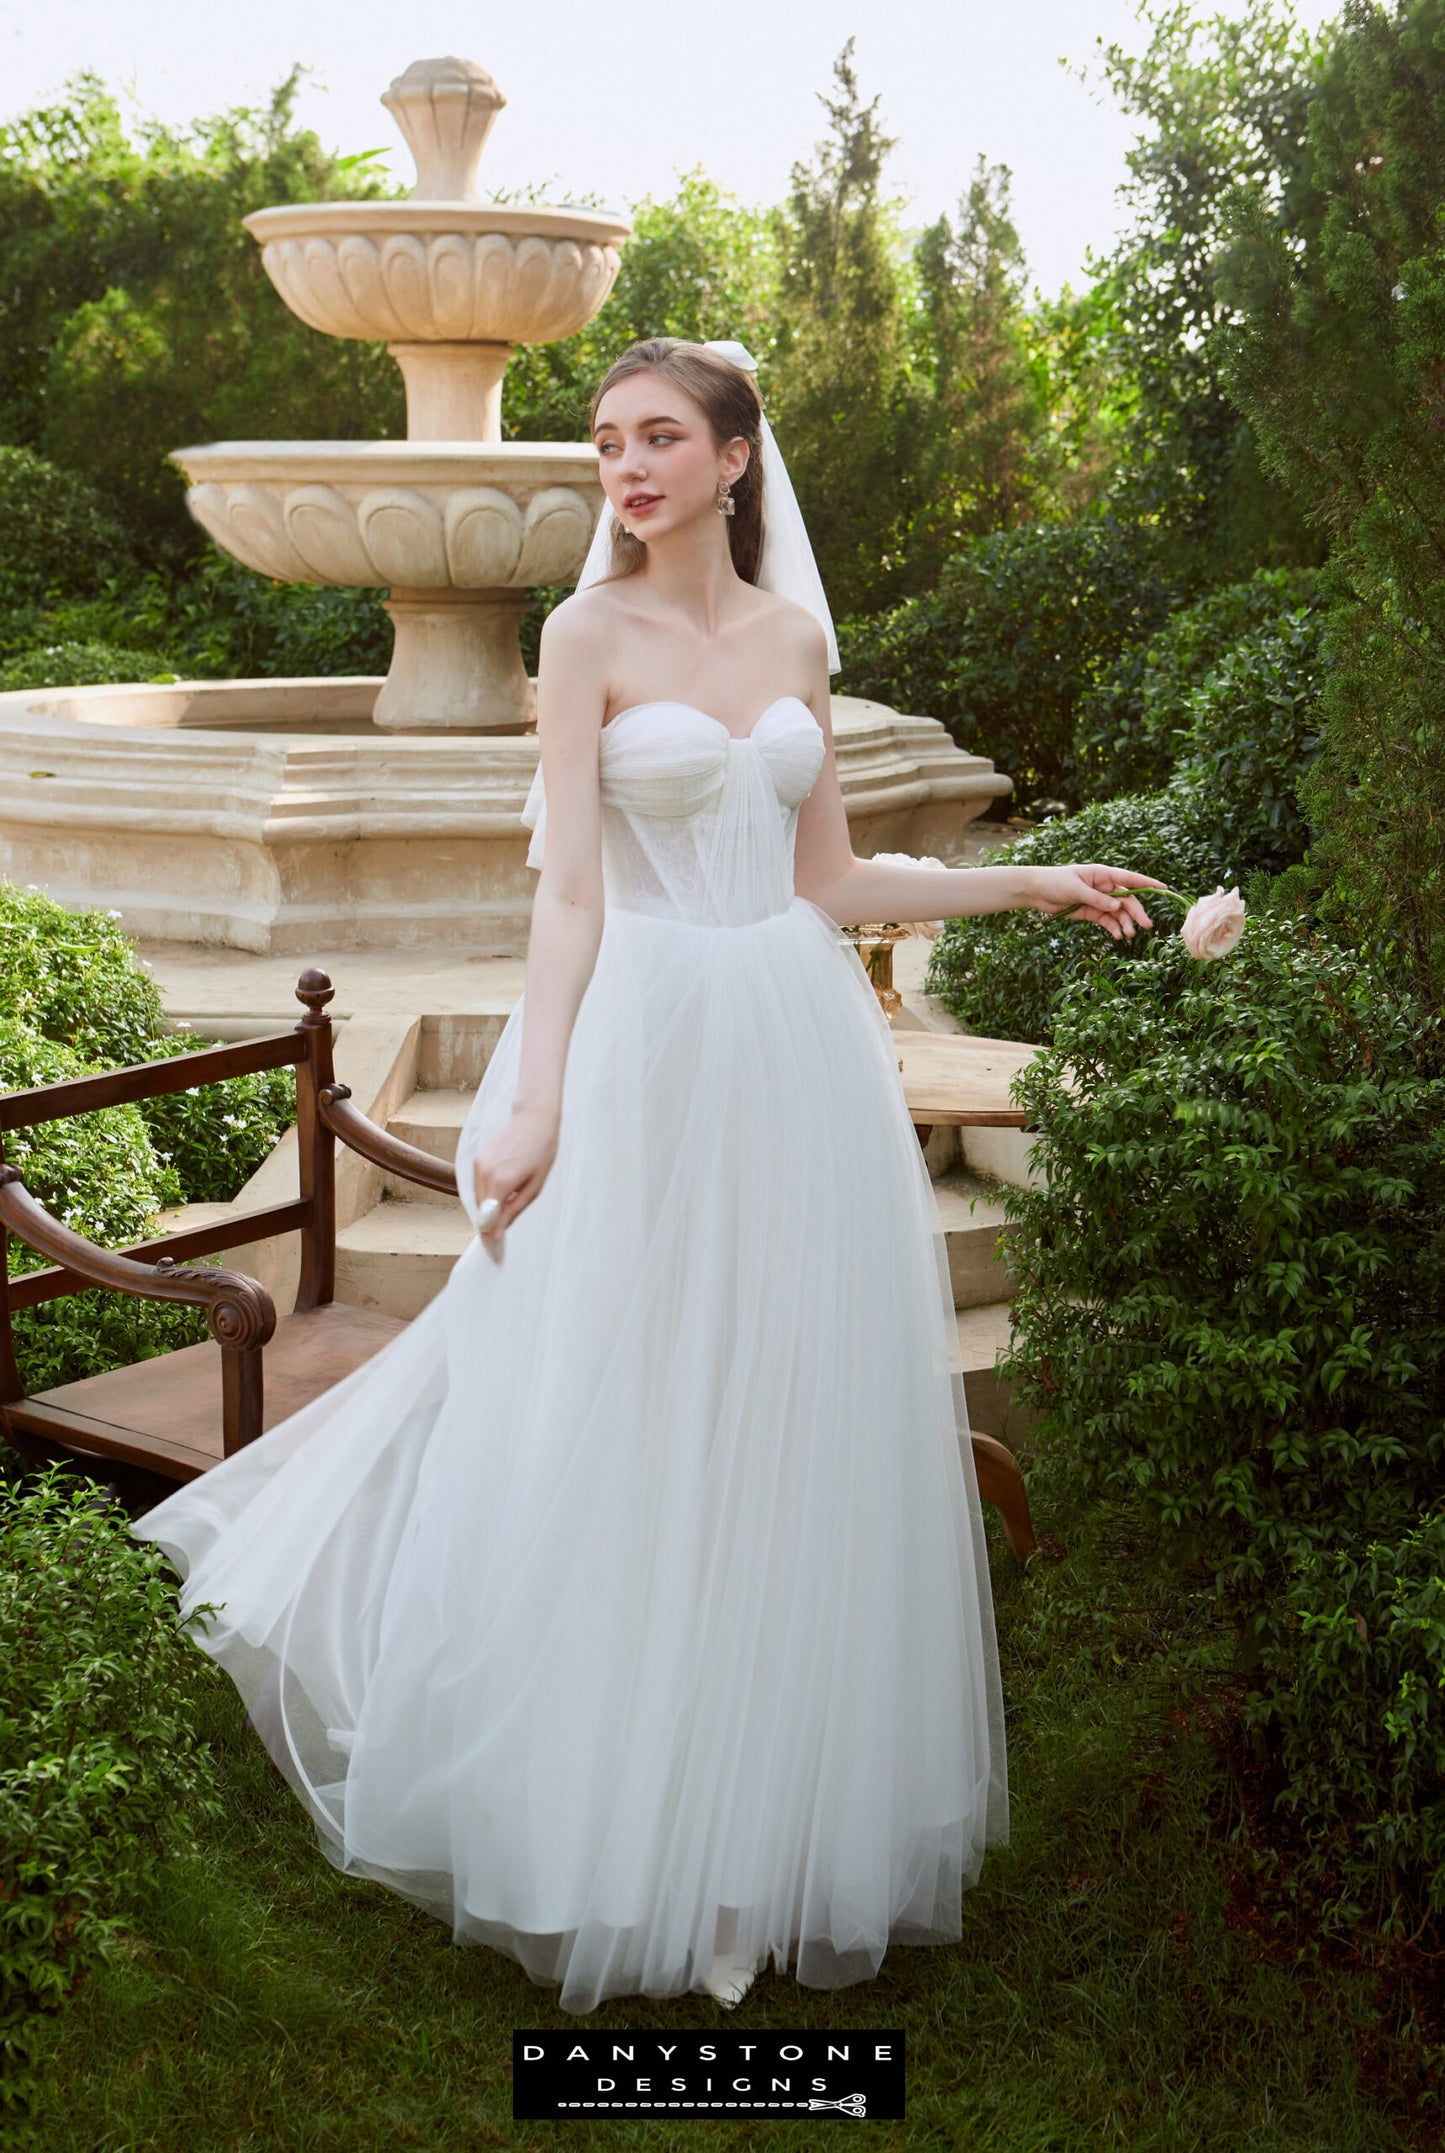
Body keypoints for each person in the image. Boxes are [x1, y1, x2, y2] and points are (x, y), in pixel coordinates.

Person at [130, 337, 1162, 2016]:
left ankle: (759, 1840)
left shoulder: (793, 638)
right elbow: (567, 898)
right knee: (636, 1402)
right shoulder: (582, 632)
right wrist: (532, 1097)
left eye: (659, 436)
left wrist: (1032, 881)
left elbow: (823, 874)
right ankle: (616, 1828)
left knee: (783, 1407)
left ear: (737, 457)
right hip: (650, 1041)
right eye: (607, 441)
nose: (624, 464)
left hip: (795, 1046)